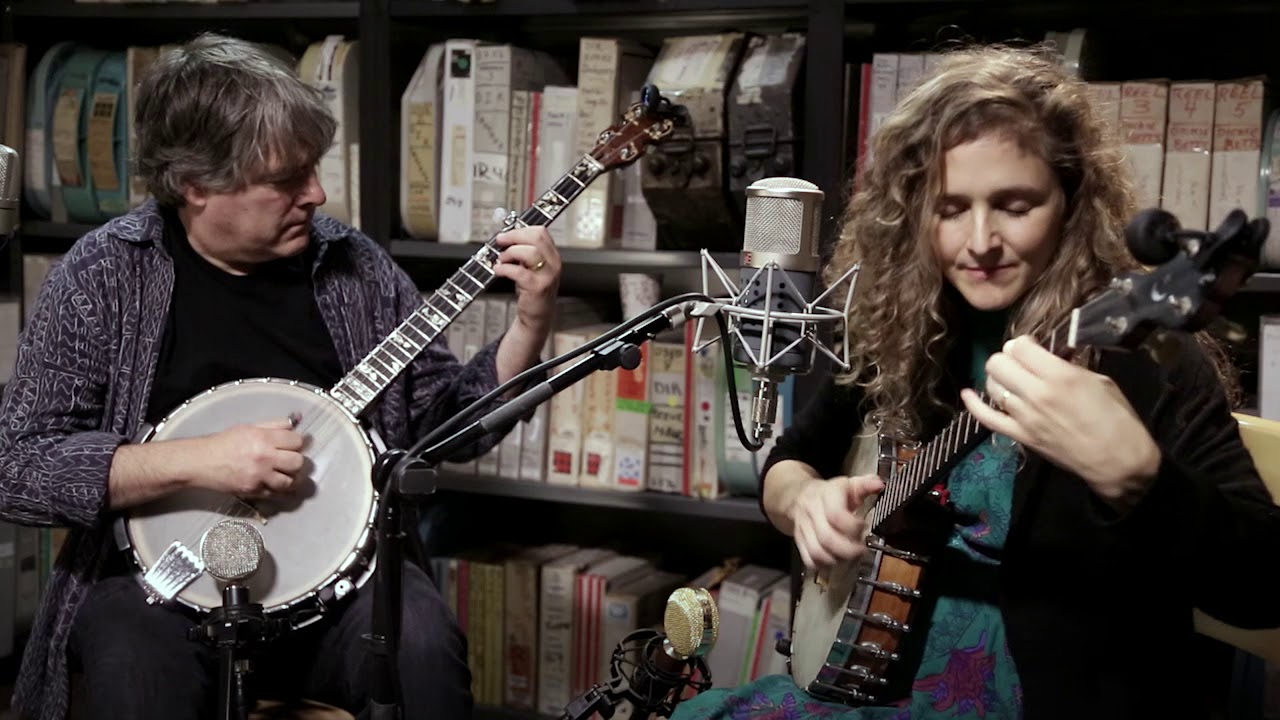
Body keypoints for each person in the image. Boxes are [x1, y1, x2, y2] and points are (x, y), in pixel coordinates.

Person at [673, 44, 1280, 720]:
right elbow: (791, 460)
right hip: (873, 680)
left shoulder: (1145, 362)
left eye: (1015, 205)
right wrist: (805, 501)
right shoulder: (902, 332)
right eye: (951, 207)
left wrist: (1139, 478)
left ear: (1073, 206)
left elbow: (1262, 588)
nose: (980, 240)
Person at [0, 33, 562, 720]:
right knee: (134, 669)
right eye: (285, 179)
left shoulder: (353, 266)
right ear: (194, 185)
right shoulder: (104, 274)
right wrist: (200, 460)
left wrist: (530, 324)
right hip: (155, 589)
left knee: (421, 648)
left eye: (314, 169)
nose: (317, 193)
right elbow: (18, 469)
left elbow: (442, 424)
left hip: (344, 585)